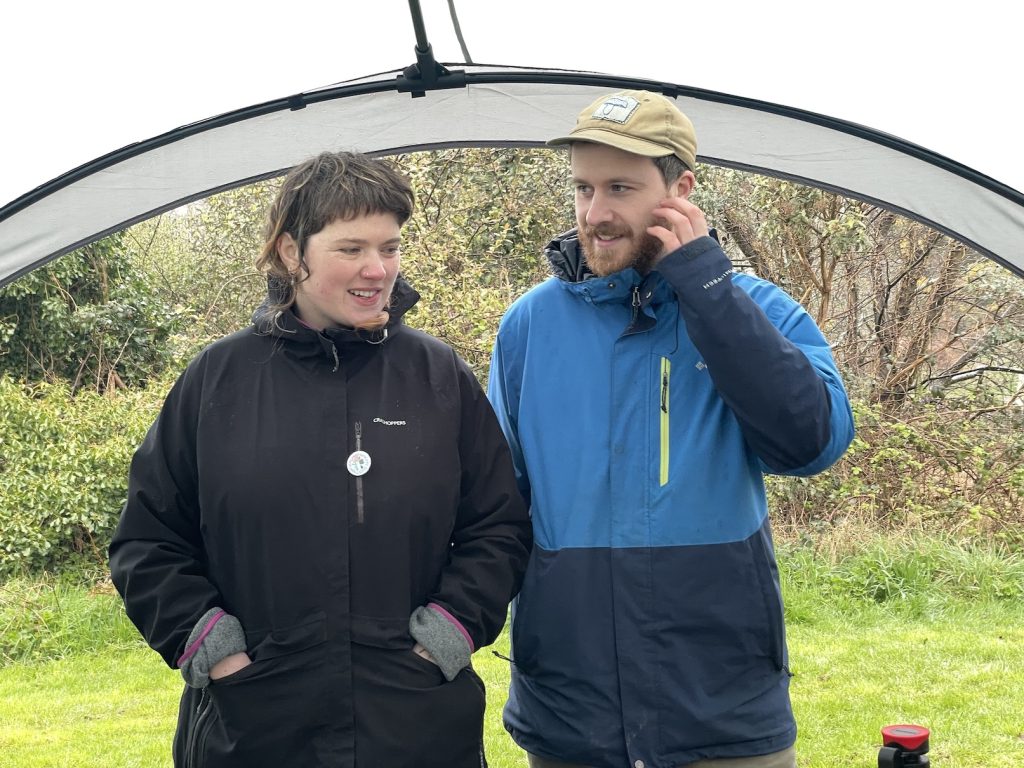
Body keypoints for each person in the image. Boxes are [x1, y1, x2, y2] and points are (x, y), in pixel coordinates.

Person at [109, 150, 533, 768]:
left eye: (389, 248)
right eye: (351, 248)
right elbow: (147, 542)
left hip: (413, 724)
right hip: (254, 723)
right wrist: (214, 649)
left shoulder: (438, 376)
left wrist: (447, 634)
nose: (376, 269)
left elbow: (498, 527)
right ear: (290, 252)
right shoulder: (217, 380)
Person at [487, 90, 855, 768]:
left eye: (620, 188)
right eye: (583, 187)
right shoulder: (529, 327)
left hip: (721, 709)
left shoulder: (756, 309)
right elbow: (495, 505)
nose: (595, 214)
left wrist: (707, 289)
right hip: (572, 713)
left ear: (681, 189)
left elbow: (811, 443)